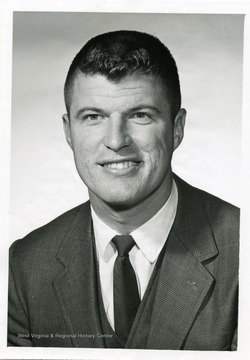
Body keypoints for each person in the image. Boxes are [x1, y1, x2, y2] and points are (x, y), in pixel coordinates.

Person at [8, 30, 239, 350]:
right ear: (68, 132)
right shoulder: (24, 266)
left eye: (140, 115)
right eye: (93, 117)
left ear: (177, 129)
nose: (116, 140)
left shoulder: (242, 252)